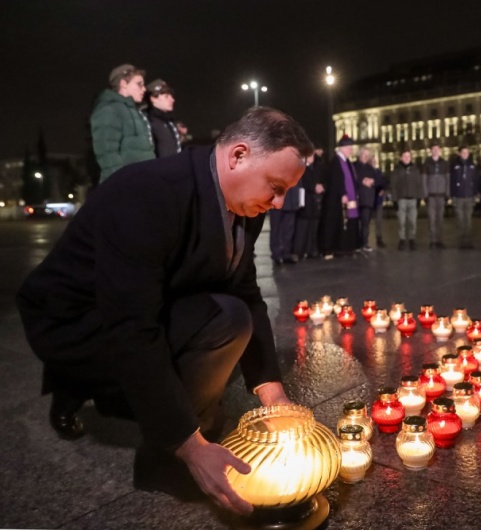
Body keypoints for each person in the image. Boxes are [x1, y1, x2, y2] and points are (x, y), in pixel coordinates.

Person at [16, 107, 314, 515]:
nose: (278, 204)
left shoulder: (244, 203)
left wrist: (271, 391)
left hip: (140, 304)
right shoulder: (148, 192)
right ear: (238, 155)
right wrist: (189, 445)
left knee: (231, 314)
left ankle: (103, 393)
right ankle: (163, 461)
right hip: (75, 321)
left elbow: (245, 290)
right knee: (224, 322)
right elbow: (131, 328)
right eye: (276, 187)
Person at [90, 64, 155, 182]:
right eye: (139, 84)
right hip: (126, 186)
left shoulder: (137, 112)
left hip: (144, 183)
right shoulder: (109, 110)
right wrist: (121, 183)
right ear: (123, 83)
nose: (144, 89)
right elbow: (107, 153)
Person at [319, 136, 360, 258]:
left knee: (350, 222)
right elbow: (337, 181)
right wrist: (343, 194)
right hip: (339, 200)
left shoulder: (348, 162)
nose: (350, 151)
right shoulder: (336, 162)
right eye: (348, 148)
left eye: (351, 148)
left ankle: (349, 246)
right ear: (341, 148)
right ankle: (338, 248)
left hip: (350, 199)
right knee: (341, 222)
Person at [390, 149, 424, 250]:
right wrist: (395, 200)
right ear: (401, 158)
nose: (406, 158)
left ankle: (412, 239)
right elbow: (393, 186)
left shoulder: (415, 169)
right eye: (404, 156)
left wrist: (419, 198)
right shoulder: (396, 170)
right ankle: (402, 239)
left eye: (408, 156)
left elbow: (419, 184)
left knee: (413, 221)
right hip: (401, 200)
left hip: (413, 199)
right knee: (401, 222)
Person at [293, 154, 325, 259]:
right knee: (303, 228)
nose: (313, 157)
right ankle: (300, 251)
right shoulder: (301, 168)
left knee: (313, 228)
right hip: (305, 202)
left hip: (314, 202)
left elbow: (319, 179)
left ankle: (312, 249)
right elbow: (303, 183)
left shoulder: (315, 168)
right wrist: (314, 187)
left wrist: (320, 186)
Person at [422, 142, 450, 249]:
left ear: (440, 150)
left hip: (441, 195)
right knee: (432, 219)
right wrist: (425, 195)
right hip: (431, 196)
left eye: (437, 149)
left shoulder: (444, 163)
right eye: (433, 149)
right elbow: (424, 180)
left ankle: (440, 240)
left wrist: (447, 194)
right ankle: (433, 240)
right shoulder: (427, 163)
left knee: (440, 219)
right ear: (431, 150)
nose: (435, 151)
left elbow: (448, 179)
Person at [450, 146, 479, 248]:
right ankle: (461, 241)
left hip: (469, 196)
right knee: (460, 220)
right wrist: (452, 195)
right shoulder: (454, 165)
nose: (465, 154)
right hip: (458, 197)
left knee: (468, 220)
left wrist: (475, 194)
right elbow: (451, 181)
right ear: (459, 153)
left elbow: (475, 180)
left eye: (467, 152)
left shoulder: (472, 165)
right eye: (463, 152)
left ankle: (468, 241)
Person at [144, 79, 181, 158]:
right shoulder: (147, 122)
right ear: (153, 99)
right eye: (166, 96)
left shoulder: (169, 122)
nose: (172, 100)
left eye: (171, 96)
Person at [353, 147, 379, 252]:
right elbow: (351, 179)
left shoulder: (370, 168)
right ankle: (356, 244)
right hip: (357, 197)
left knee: (365, 223)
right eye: (364, 154)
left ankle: (364, 243)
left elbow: (378, 181)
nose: (366, 156)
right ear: (359, 155)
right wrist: (362, 181)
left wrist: (372, 181)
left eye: (368, 155)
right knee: (355, 222)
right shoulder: (354, 166)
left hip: (368, 199)